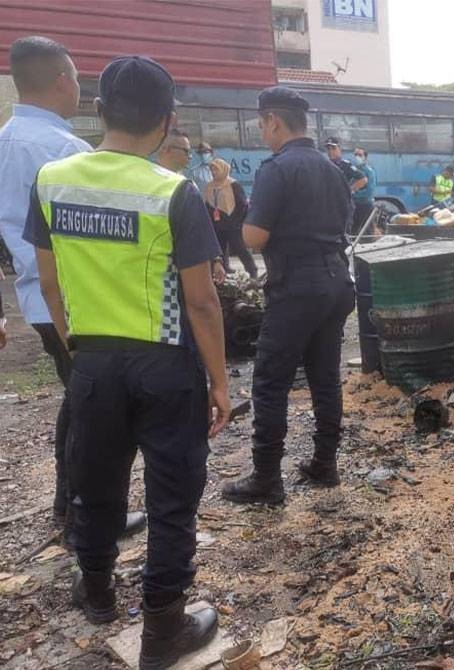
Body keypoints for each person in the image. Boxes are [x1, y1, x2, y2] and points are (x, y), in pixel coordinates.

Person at [23, 55, 229, 667]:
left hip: (93, 361)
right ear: (168, 120)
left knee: (95, 481)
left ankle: (97, 592)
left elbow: (49, 282)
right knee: (172, 496)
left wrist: (76, 347)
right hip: (165, 366)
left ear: (99, 110)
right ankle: (163, 629)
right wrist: (220, 382)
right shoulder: (173, 192)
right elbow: (201, 301)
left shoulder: (52, 181)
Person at [0, 36, 146, 536]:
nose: (80, 88)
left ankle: (70, 507)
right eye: (78, 78)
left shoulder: (4, 142)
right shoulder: (68, 152)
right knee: (99, 416)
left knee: (78, 400)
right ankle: (88, 519)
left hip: (36, 302)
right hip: (79, 305)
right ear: (62, 80)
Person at [221, 86, 355, 505]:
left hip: (297, 286)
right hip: (336, 282)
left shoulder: (275, 170)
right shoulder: (333, 168)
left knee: (269, 381)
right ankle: (325, 464)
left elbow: (254, 239)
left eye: (262, 125)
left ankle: (266, 479)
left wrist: (239, 219)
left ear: (273, 121)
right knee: (325, 377)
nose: (261, 133)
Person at [158, 131, 227, 285]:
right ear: (166, 149)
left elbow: (202, 227)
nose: (190, 156)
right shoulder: (154, 185)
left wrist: (216, 259)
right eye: (186, 151)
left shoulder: (186, 185)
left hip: (182, 268)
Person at [204, 158, 257, 277]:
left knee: (240, 248)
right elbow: (208, 204)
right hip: (217, 224)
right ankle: (223, 270)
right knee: (220, 249)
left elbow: (242, 204)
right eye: (212, 170)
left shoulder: (233, 185)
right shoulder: (210, 187)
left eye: (216, 170)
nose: (213, 173)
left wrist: (238, 221)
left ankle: (252, 271)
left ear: (223, 169)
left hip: (233, 223)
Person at [351, 147, 377, 235]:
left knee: (367, 231)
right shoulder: (352, 170)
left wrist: (353, 194)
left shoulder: (369, 171)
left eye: (360, 155)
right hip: (353, 205)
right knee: (352, 231)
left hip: (366, 205)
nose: (357, 157)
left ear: (365, 157)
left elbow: (369, 191)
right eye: (355, 155)